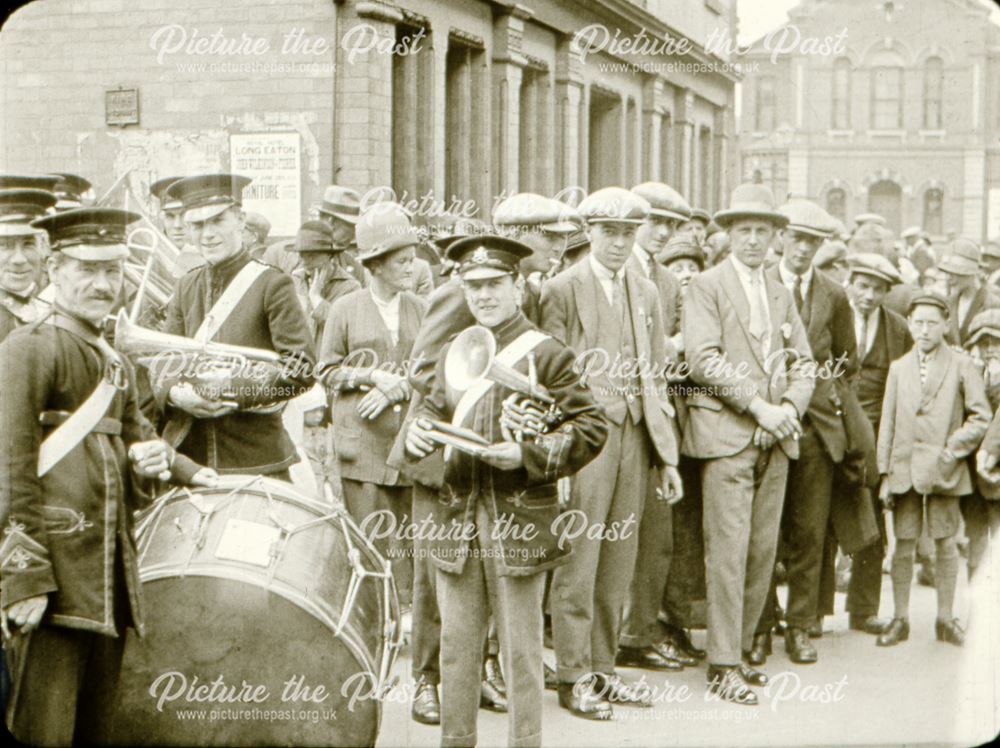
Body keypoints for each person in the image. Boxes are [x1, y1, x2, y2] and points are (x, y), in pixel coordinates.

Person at [0, 207, 217, 745]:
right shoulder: (28, 348)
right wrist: (22, 580)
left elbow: (137, 443)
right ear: (55, 268)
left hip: (105, 583)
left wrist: (166, 465)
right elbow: (9, 470)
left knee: (94, 731)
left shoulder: (112, 358)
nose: (103, 284)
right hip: (51, 586)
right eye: (87, 269)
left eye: (113, 270)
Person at [405, 234, 608, 748]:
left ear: (517, 286)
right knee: (456, 646)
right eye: (473, 286)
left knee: (520, 649)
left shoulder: (549, 352)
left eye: (494, 284)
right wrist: (417, 433)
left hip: (520, 516)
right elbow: (429, 408)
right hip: (458, 516)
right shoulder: (458, 346)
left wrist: (526, 455)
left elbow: (591, 428)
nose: (484, 296)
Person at [542, 187, 683, 719]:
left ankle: (603, 669)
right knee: (579, 557)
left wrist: (665, 456)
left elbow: (656, 375)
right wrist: (557, 453)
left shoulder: (645, 292)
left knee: (617, 557)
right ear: (590, 232)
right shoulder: (562, 288)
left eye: (628, 232)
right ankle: (573, 673)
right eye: (609, 232)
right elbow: (549, 374)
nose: (620, 243)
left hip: (633, 436)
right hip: (585, 439)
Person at [682, 183, 815, 705]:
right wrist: (757, 407)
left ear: (776, 238)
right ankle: (721, 662)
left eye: (764, 231)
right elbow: (702, 359)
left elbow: (803, 361)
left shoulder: (780, 292)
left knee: (761, 553)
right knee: (728, 553)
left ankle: (735, 652)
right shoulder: (707, 287)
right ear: (728, 235)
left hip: (775, 437)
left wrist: (787, 411)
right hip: (728, 437)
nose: (755, 240)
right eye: (745, 231)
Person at [152, 173, 315, 478]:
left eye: (217, 221)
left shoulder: (272, 284)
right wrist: (175, 393)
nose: (207, 234)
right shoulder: (186, 286)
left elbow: (301, 369)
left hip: (255, 457)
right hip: (189, 458)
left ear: (240, 220)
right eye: (197, 225)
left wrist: (228, 388)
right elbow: (163, 362)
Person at [748, 200, 851, 666]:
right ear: (781, 239)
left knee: (810, 531)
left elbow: (846, 360)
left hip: (814, 432)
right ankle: (760, 626)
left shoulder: (833, 294)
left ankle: (800, 627)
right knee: (764, 530)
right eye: (796, 238)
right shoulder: (757, 283)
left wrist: (819, 396)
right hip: (765, 423)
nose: (803, 248)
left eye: (813, 241)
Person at [320, 203, 427, 607]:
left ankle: (408, 624)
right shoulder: (344, 309)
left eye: (412, 260)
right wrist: (370, 377)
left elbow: (431, 370)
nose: (410, 268)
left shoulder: (421, 308)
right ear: (376, 265)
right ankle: (373, 619)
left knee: (409, 544)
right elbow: (326, 371)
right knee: (370, 540)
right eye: (402, 261)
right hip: (362, 449)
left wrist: (398, 387)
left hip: (407, 446)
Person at [875, 293, 991, 648]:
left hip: (944, 471)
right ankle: (900, 618)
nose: (924, 330)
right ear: (909, 325)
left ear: (945, 325)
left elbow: (981, 415)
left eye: (932, 323)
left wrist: (952, 449)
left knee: (945, 543)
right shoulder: (898, 368)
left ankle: (945, 618)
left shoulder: (960, 365)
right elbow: (888, 423)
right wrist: (884, 474)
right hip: (904, 470)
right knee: (904, 543)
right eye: (918, 323)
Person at [616, 181, 691, 672]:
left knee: (656, 533)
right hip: (616, 415)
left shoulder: (666, 281)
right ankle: (597, 641)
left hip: (657, 416)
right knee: (609, 534)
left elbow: (679, 344)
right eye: (655, 222)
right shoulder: (611, 269)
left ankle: (639, 634)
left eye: (671, 225)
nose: (663, 232)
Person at [840, 253, 911, 635]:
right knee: (816, 523)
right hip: (831, 430)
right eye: (862, 286)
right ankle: (809, 616)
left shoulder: (898, 329)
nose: (868, 296)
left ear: (886, 292)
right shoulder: (836, 314)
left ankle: (863, 609)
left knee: (871, 525)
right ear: (850, 283)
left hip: (875, 437)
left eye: (877, 289)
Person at [287, 220, 361, 346]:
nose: (305, 262)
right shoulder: (295, 281)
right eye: (301, 255)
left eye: (311, 256)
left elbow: (347, 330)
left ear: (329, 255)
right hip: (299, 360)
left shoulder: (350, 287)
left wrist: (316, 298)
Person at [0, 187, 56, 341]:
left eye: (28, 244)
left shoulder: (49, 311)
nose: (19, 259)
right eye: (4, 245)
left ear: (43, 247)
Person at [317, 184, 367, 287]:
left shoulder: (353, 266)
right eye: (350, 226)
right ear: (331, 221)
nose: (353, 234)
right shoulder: (289, 258)